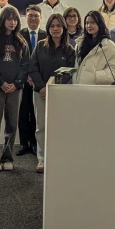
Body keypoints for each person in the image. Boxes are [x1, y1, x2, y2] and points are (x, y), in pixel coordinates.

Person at [29, 14, 76, 173]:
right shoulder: (41, 46)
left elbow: (70, 73)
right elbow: (32, 68)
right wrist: (43, 88)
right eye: (52, 26)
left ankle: (58, 157)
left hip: (60, 94)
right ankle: (42, 159)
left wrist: (53, 89)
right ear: (48, 28)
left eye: (58, 26)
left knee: (59, 127)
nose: (55, 29)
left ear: (64, 28)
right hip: (40, 93)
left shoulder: (69, 50)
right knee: (41, 126)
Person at [0, 7, 29, 171]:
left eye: (15, 19)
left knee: (11, 124)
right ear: (3, 20)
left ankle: (8, 156)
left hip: (15, 90)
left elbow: (25, 66)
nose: (12, 22)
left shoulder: (21, 42)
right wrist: (1, 83)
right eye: (9, 19)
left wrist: (16, 84)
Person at [17, 5, 47, 157]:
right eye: (30, 16)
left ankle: (35, 143)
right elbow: (18, 59)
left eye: (36, 16)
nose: (33, 18)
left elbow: (44, 60)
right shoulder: (19, 34)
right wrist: (26, 75)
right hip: (22, 80)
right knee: (23, 111)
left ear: (41, 18)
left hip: (38, 80)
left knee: (36, 113)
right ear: (26, 18)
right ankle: (24, 143)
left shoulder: (46, 35)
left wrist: (35, 77)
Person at [73, 11, 115, 85]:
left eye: (92, 22)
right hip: (79, 88)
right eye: (87, 23)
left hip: (98, 89)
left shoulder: (108, 45)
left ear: (100, 24)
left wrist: (96, 76)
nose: (89, 25)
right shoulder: (80, 43)